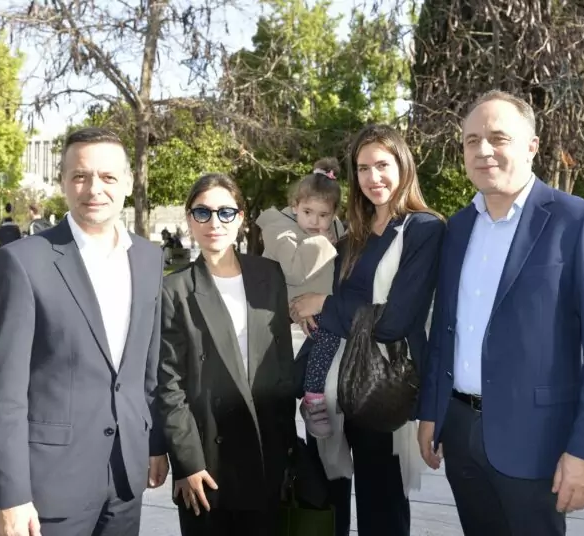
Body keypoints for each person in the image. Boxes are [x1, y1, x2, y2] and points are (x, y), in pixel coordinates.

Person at [418, 90, 584, 536]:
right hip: (460, 432)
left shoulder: (578, 221)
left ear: (532, 146)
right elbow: (445, 331)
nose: (483, 150)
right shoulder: (457, 227)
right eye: (472, 140)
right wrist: (432, 412)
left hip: (537, 441)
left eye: (498, 138)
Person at [0, 127, 169, 536]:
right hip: (50, 486)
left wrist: (155, 444)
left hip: (126, 478)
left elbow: (147, 368)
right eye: (80, 176)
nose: (94, 189)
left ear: (128, 183)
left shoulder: (150, 258)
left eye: (108, 176)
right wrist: (9, 494)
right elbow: (3, 391)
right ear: (63, 181)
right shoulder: (22, 262)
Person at [290, 125, 445, 536]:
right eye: (362, 168)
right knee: (327, 503)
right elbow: (319, 295)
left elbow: (395, 320)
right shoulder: (350, 237)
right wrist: (305, 308)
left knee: (382, 508)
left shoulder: (424, 229)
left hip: (382, 387)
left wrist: (323, 306)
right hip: (328, 388)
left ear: (403, 166)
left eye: (382, 165)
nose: (372, 177)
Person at [157, 174, 297, 535]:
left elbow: (282, 364)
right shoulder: (174, 289)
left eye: (225, 212)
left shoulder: (269, 275)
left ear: (241, 218)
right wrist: (187, 462)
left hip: (266, 451)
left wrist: (287, 447)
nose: (214, 222)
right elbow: (169, 385)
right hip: (207, 459)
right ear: (189, 219)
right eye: (202, 212)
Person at [255, 157, 345, 438]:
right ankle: (312, 398)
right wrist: (322, 242)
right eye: (308, 212)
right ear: (295, 206)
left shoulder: (334, 229)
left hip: (316, 307)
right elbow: (293, 271)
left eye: (324, 215)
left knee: (331, 338)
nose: (315, 221)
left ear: (334, 214)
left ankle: (308, 390)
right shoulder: (279, 228)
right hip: (276, 310)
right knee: (324, 339)